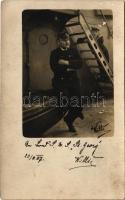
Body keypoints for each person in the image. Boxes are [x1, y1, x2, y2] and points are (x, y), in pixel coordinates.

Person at [50, 31, 84, 135]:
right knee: (66, 102)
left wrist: (66, 63)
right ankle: (69, 115)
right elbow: (55, 68)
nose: (67, 42)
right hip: (61, 82)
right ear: (59, 42)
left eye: (68, 40)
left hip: (73, 81)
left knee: (79, 105)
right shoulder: (54, 53)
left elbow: (80, 64)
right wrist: (69, 68)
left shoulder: (73, 51)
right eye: (64, 40)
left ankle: (69, 119)